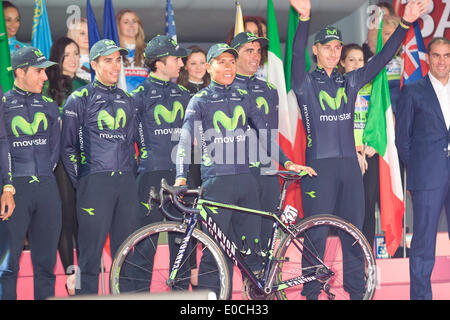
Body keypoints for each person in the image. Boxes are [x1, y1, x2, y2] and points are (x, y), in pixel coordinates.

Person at [289, 0, 428, 299]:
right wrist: (304, 20)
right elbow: (294, 58)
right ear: (316, 50)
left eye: (337, 47)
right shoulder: (304, 84)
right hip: (319, 169)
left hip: (350, 169)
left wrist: (404, 24)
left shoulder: (350, 81)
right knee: (315, 236)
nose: (332, 51)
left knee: (354, 236)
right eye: (326, 46)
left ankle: (355, 292)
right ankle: (311, 293)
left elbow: (381, 59)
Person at [174, 42, 314, 297]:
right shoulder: (200, 100)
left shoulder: (244, 97)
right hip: (217, 183)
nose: (228, 67)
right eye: (221, 62)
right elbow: (185, 139)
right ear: (209, 67)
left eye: (231, 61)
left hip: (247, 182)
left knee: (253, 253)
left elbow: (265, 134)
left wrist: (288, 162)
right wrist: (181, 176)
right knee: (215, 253)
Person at [60, 39, 139, 295]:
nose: (115, 66)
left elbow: (136, 143)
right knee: (90, 259)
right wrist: (83, 181)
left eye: (118, 60)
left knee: (126, 255)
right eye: (108, 60)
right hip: (94, 183)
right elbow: (68, 148)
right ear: (93, 64)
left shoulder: (129, 99)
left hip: (125, 184)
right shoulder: (78, 99)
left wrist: (131, 175)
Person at [130, 34, 192, 290]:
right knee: (146, 244)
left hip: (181, 177)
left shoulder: (186, 94)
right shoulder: (138, 95)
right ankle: (135, 296)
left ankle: (182, 297)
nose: (181, 63)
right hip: (150, 176)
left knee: (183, 245)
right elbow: (127, 138)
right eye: (176, 58)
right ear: (159, 62)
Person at [0, 47, 61, 300]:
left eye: (45, 72)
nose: (45, 77)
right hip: (15, 189)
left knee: (46, 267)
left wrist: (43, 179)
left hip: (47, 187)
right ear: (19, 72)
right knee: (7, 266)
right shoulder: (3, 104)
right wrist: (8, 186)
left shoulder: (50, 105)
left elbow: (55, 151)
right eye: (38, 71)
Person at [395, 37, 450, 300]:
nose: (442, 61)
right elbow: (402, 140)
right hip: (427, 176)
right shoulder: (413, 91)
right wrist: (419, 168)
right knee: (423, 245)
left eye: (447, 55)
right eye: (437, 55)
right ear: (428, 58)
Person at [44, 36, 88, 295]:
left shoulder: (86, 85)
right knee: (66, 220)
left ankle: (84, 273)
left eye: (76, 53)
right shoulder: (47, 87)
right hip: (59, 161)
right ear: (58, 58)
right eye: (67, 54)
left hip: (86, 160)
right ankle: (72, 275)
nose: (73, 59)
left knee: (85, 218)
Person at [229, 31, 280, 250]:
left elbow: (272, 133)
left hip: (267, 172)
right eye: (249, 50)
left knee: (268, 236)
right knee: (240, 239)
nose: (256, 56)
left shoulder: (270, 90)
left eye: (258, 51)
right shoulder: (223, 89)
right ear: (234, 56)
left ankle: (265, 282)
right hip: (237, 172)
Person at [339, 43, 378, 250]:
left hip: (369, 153)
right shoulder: (337, 87)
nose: (356, 64)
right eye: (351, 60)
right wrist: (353, 151)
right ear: (343, 63)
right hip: (346, 155)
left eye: (360, 60)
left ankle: (366, 256)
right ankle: (347, 256)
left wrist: (375, 144)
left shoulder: (374, 88)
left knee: (368, 207)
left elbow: (381, 119)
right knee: (347, 209)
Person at [177, 45, 210, 189]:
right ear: (185, 66)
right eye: (193, 63)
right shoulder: (178, 92)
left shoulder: (214, 90)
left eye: (202, 63)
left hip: (213, 151)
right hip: (190, 153)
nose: (199, 67)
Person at [116, 9, 149, 92]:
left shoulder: (149, 51)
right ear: (118, 26)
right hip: (121, 101)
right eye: (126, 22)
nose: (131, 25)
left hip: (145, 101)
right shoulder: (113, 52)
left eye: (134, 21)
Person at [67, 18, 91, 82]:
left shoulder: (100, 58)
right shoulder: (65, 60)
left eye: (89, 33)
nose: (87, 37)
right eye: (82, 33)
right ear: (73, 35)